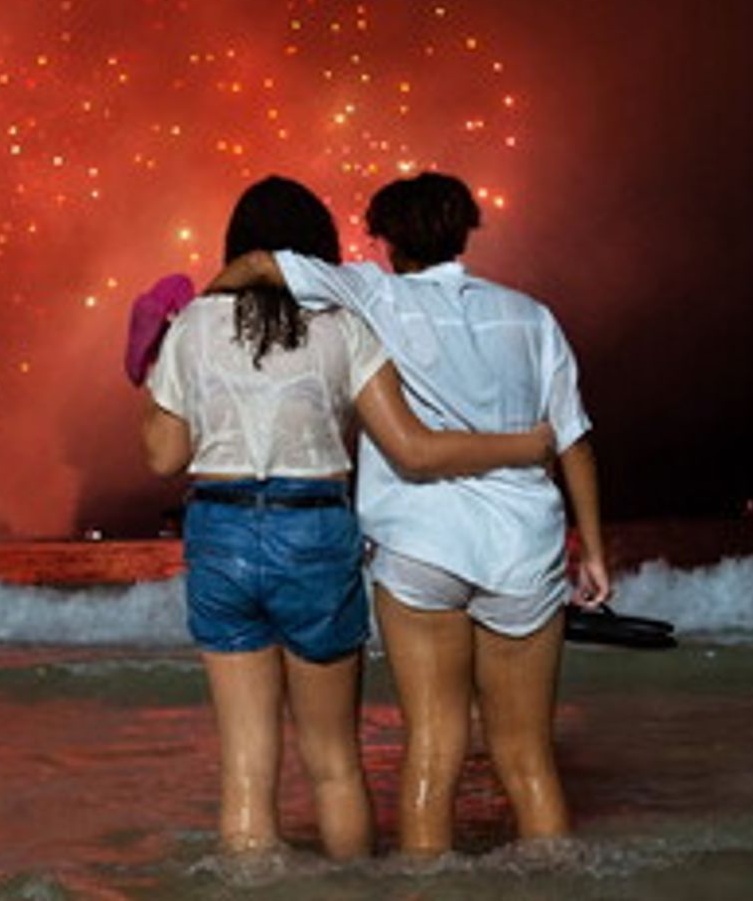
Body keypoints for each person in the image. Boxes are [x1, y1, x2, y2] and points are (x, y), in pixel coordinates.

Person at [139, 176, 555, 863]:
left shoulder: (194, 325)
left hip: (220, 528)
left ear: (236, 246)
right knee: (334, 763)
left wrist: (157, 358)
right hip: (313, 529)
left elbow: (162, 456)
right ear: (317, 250)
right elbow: (410, 446)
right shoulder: (344, 324)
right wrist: (526, 445)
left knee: (246, 767)